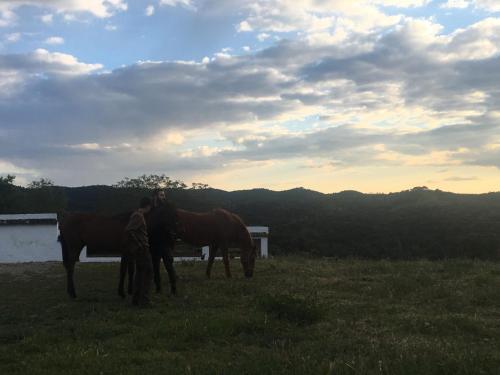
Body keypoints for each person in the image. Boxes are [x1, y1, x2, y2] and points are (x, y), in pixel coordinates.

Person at [125, 197, 153, 306]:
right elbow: (129, 230)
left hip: (141, 248)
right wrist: (140, 244)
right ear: (147, 206)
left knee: (140, 273)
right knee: (148, 273)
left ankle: (136, 299)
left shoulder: (138, 215)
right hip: (142, 249)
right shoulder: (138, 216)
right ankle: (144, 300)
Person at [149, 189, 177, 295]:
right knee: (155, 267)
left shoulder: (167, 208)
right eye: (161, 195)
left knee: (169, 265)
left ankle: (173, 287)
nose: (163, 197)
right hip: (154, 243)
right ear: (155, 196)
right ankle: (158, 288)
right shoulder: (150, 209)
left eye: (164, 195)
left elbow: (172, 223)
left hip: (165, 243)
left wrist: (171, 240)